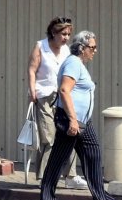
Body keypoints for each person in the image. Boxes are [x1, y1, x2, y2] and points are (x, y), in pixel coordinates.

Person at [38, 29, 120, 200]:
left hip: (84, 122)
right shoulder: (73, 63)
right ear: (82, 48)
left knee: (93, 155)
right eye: (93, 47)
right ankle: (47, 199)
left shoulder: (78, 64)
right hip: (72, 120)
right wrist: (73, 120)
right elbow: (65, 91)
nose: (95, 51)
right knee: (58, 159)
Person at [25, 17, 84, 187]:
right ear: (53, 32)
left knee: (69, 132)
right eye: (63, 34)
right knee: (48, 137)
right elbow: (31, 70)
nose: (66, 37)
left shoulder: (67, 51)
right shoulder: (41, 46)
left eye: (68, 34)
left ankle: (71, 177)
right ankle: (45, 177)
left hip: (63, 96)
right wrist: (32, 90)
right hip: (44, 96)